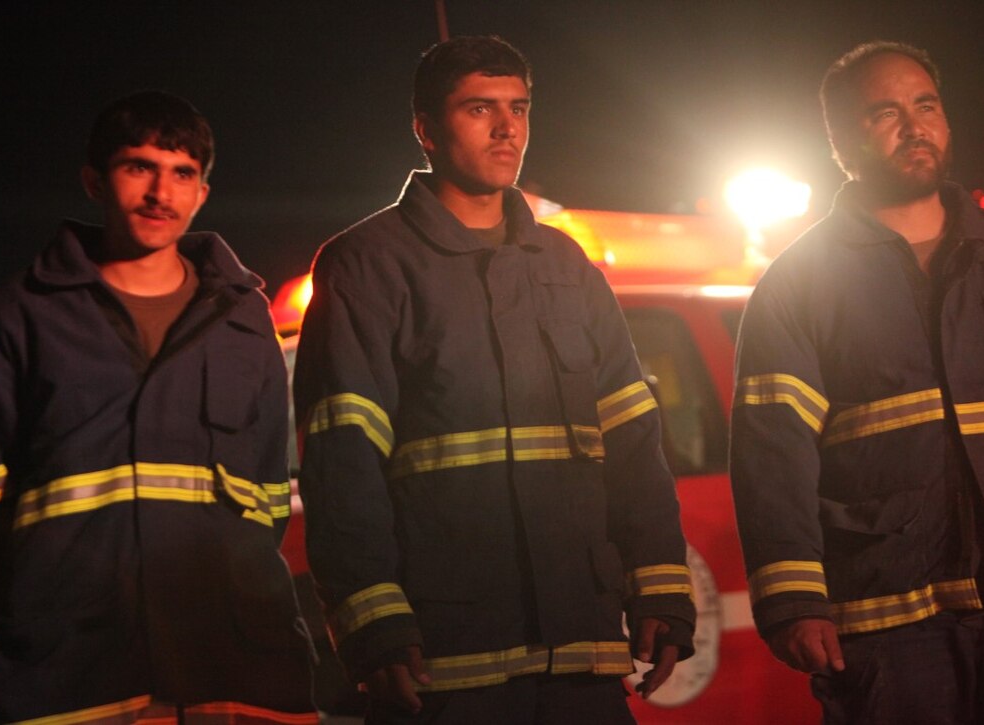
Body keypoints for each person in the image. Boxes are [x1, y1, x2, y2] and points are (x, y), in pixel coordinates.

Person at [292, 35, 695, 724]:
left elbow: (633, 443)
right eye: (480, 108)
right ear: (424, 127)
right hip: (448, 656)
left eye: (519, 108)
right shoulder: (367, 266)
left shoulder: (568, 267)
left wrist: (659, 588)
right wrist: (373, 621)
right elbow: (342, 462)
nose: (508, 128)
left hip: (580, 645)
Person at [0, 91, 317, 723]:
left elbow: (265, 501)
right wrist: (19, 623)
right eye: (137, 167)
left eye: (182, 173)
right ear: (94, 180)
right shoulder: (18, 317)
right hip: (71, 672)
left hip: (235, 665)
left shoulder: (244, 320)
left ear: (202, 193)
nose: (160, 192)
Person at [729, 41, 984, 723]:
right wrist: (794, 601)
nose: (915, 125)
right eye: (885, 113)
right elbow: (771, 456)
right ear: (841, 140)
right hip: (888, 616)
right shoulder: (799, 285)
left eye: (926, 105)